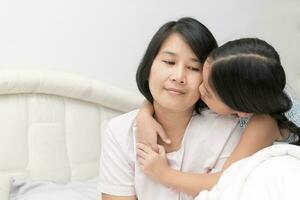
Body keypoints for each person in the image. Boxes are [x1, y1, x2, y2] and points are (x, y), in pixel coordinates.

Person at [99, 17, 244, 200]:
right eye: (169, 62)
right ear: (149, 66)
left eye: (193, 67)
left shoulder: (228, 128)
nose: (178, 76)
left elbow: (229, 192)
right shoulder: (120, 131)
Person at [136, 38, 300, 197]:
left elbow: (224, 181)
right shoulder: (247, 80)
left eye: (207, 92)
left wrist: (164, 174)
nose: (199, 89)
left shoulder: (263, 122)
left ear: (241, 110)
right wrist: (144, 113)